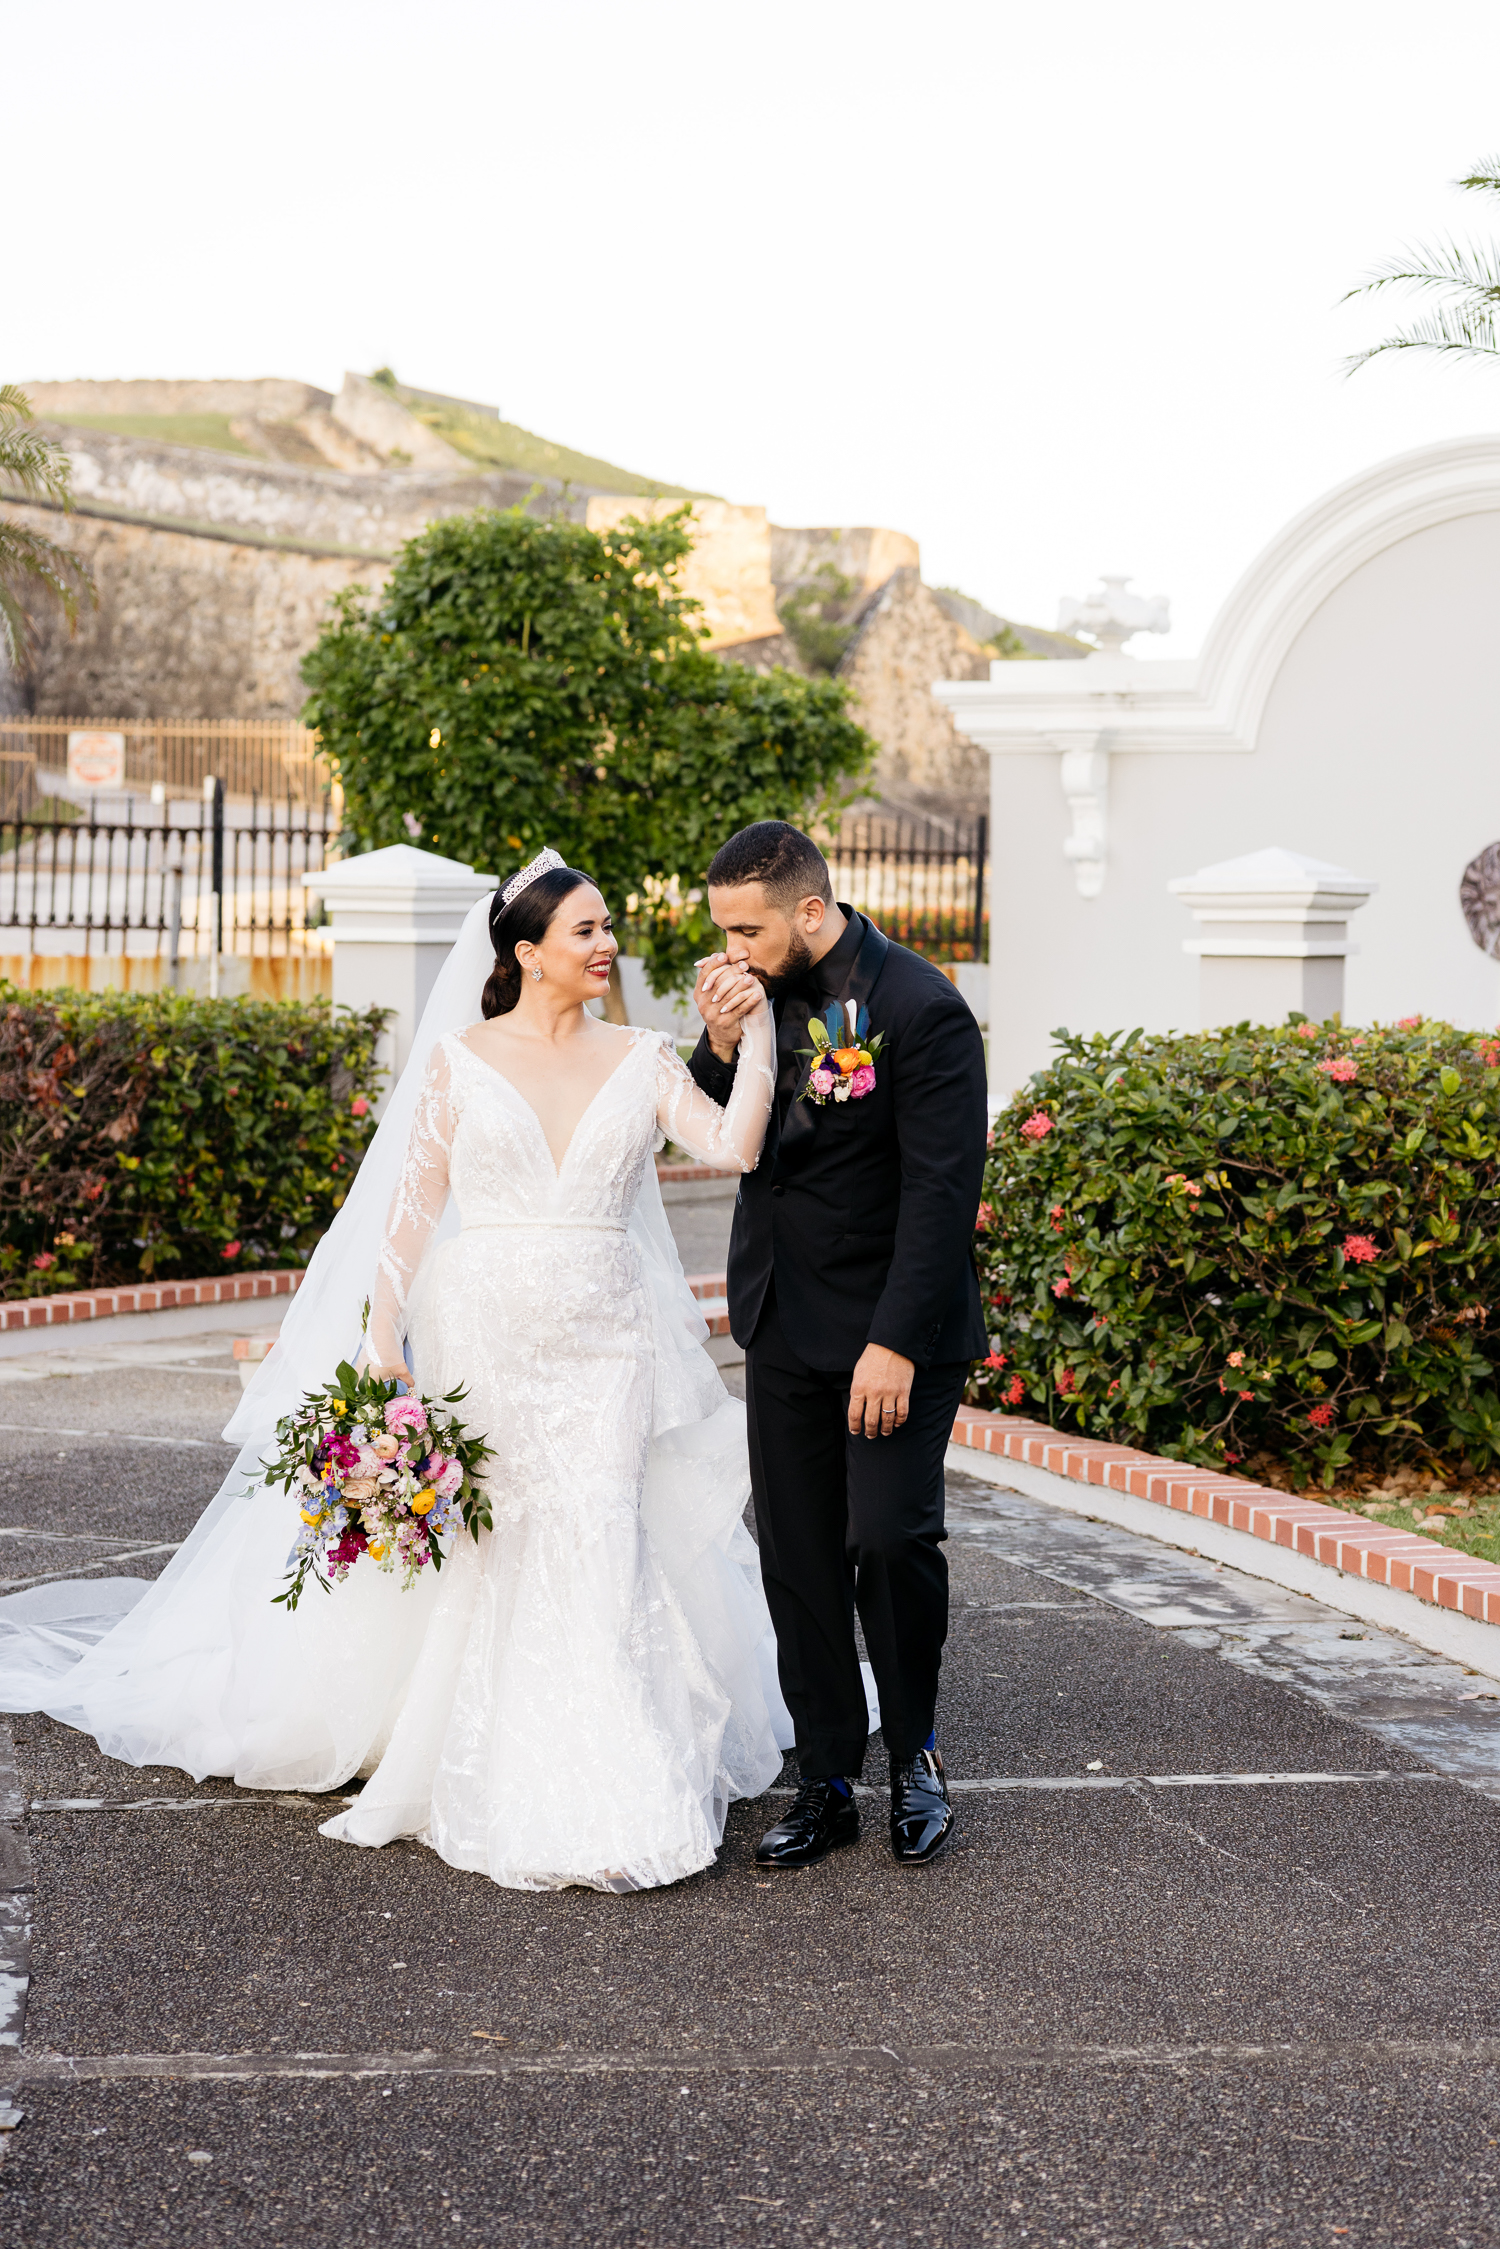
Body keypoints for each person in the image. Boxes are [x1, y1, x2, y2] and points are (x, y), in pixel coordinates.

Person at [0, 850, 793, 1895]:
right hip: (482, 1330)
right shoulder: (462, 1058)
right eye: (586, 931)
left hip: (606, 1336)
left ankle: (611, 1769)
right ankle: (481, 1749)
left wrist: (761, 1024)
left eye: (609, 928)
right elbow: (410, 1206)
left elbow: (735, 1145)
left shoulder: (645, 1055)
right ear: (528, 952)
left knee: (601, 1526)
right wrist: (381, 1339)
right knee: (497, 1537)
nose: (608, 946)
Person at [687, 822, 988, 1870]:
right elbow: (715, 1127)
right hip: (782, 1319)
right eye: (719, 926)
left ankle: (916, 1756)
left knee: (888, 1538)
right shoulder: (750, 996)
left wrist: (895, 1343)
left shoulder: (922, 1006)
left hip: (892, 1333)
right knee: (800, 1555)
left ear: (809, 911)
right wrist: (719, 1041)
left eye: (746, 927)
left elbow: (945, 1190)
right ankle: (824, 1779)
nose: (729, 947)